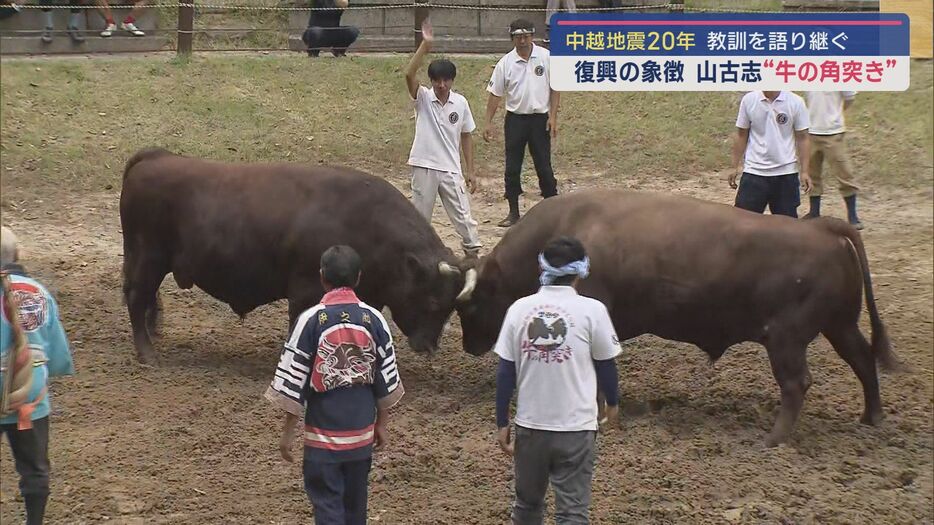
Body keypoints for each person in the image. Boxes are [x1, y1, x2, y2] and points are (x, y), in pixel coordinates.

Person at [264, 245, 404, 525]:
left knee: (327, 505)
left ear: (322, 277)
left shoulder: (311, 320)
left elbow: (295, 380)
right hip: (361, 436)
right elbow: (386, 379)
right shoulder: (374, 319)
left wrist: (288, 434)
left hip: (323, 438)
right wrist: (382, 425)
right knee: (355, 506)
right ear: (359, 277)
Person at [494, 236, 621, 524]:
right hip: (576, 428)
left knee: (527, 506)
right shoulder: (593, 311)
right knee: (572, 511)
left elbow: (505, 371)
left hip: (530, 427)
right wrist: (612, 402)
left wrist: (502, 421)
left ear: (542, 269)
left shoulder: (519, 310)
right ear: (580, 272)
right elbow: (606, 365)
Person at [1, 226, 75, 525]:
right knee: (34, 469)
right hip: (29, 397)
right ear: (17, 255)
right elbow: (57, 352)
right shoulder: (40, 294)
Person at [404, 19, 482, 258]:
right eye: (437, 80)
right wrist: (424, 47)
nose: (441, 85)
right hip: (424, 165)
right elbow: (408, 74)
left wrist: (471, 170)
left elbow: (466, 136)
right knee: (420, 219)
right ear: (431, 82)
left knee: (463, 216)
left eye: (445, 80)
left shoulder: (461, 102)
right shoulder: (424, 99)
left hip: (450, 167)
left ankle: (472, 254)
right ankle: (417, 258)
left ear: (452, 80)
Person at [484, 18, 560, 228]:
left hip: (539, 118)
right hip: (516, 119)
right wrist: (488, 122)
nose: (523, 41)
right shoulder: (506, 63)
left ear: (532, 37)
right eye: (518, 37)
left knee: (544, 166)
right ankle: (513, 211)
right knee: (512, 167)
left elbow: (555, 88)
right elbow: (495, 94)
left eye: (526, 36)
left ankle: (552, 207)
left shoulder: (545, 57)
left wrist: (553, 116)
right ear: (512, 39)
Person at [730, 90, 812, 218]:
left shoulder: (796, 102)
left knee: (787, 225)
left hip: (786, 173)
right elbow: (742, 134)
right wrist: (734, 166)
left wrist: (805, 171)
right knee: (743, 222)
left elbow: (803, 138)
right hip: (754, 172)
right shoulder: (749, 100)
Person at [803, 91, 863, 229]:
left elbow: (849, 97)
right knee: (812, 173)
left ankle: (852, 215)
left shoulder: (838, 72)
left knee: (844, 173)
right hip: (811, 131)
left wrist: (836, 114)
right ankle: (814, 212)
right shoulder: (806, 72)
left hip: (833, 132)